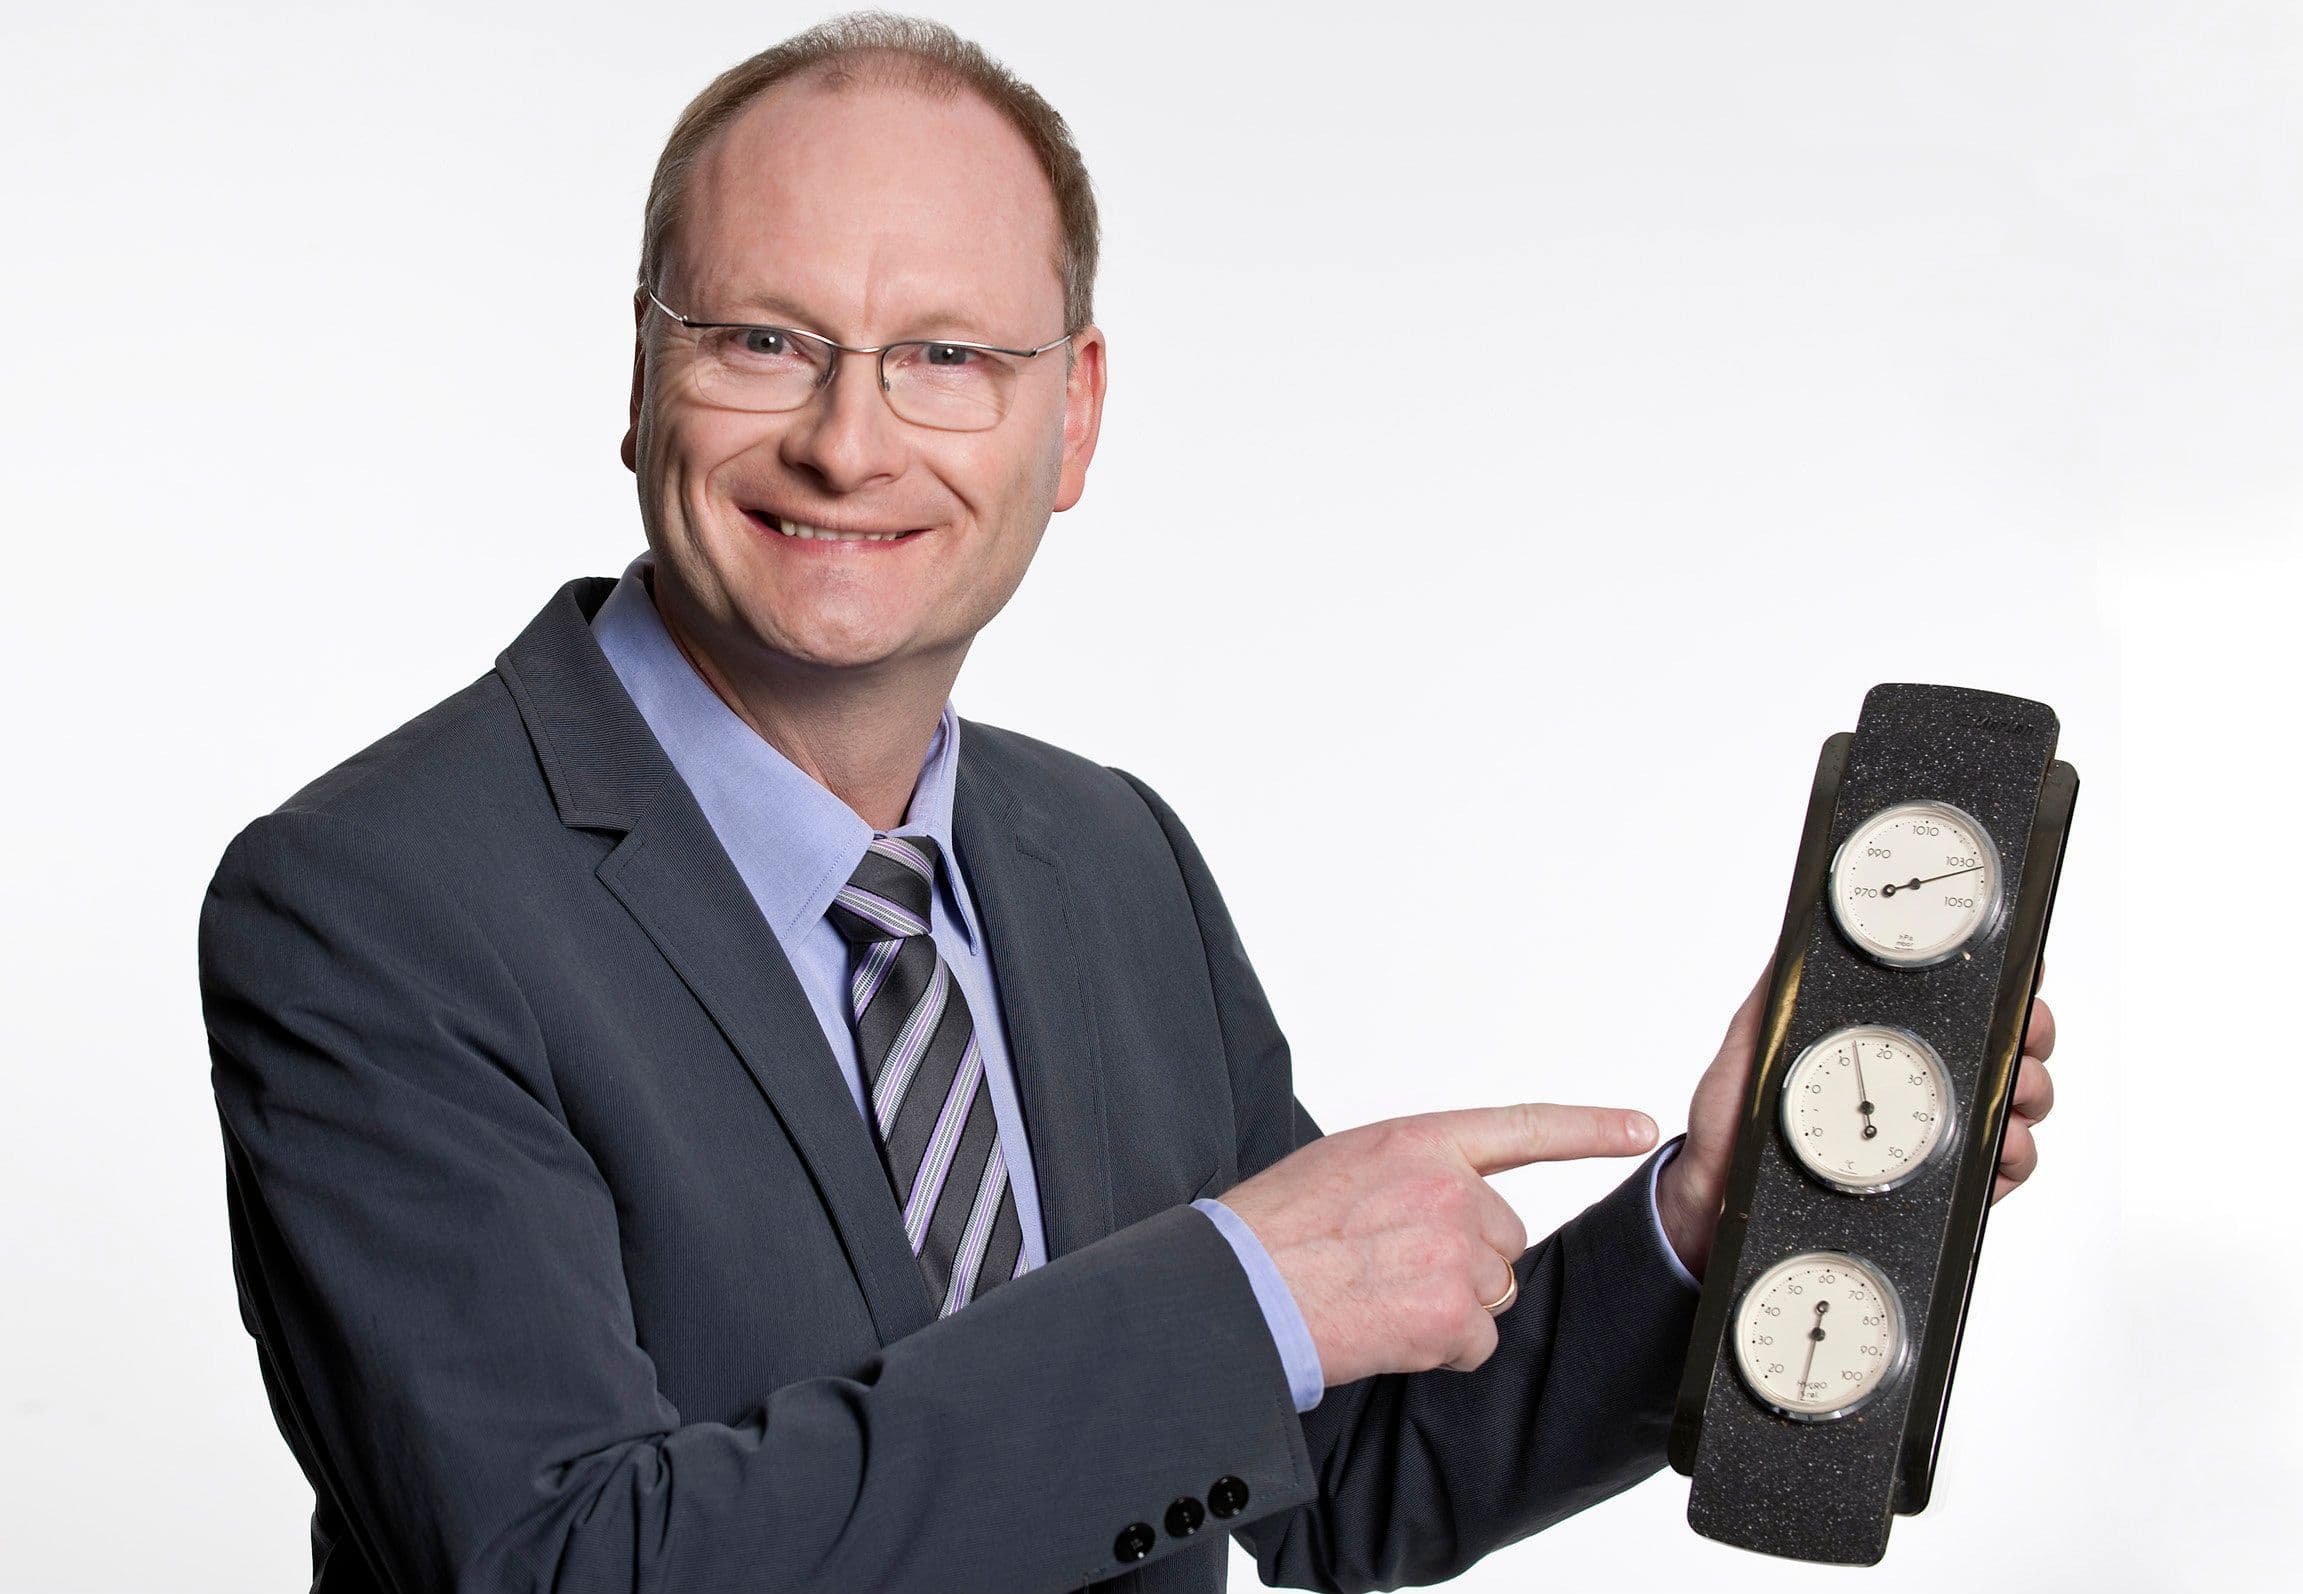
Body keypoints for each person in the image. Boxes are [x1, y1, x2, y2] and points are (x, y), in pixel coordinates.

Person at [196, 13, 2058, 1594]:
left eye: (948, 356)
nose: (851, 439)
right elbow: (562, 1562)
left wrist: (1715, 1214)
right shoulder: (373, 902)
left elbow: (1349, 1466)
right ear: (643, 371)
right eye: (764, 339)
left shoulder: (1107, 858)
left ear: (1072, 418)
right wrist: (1239, 1290)